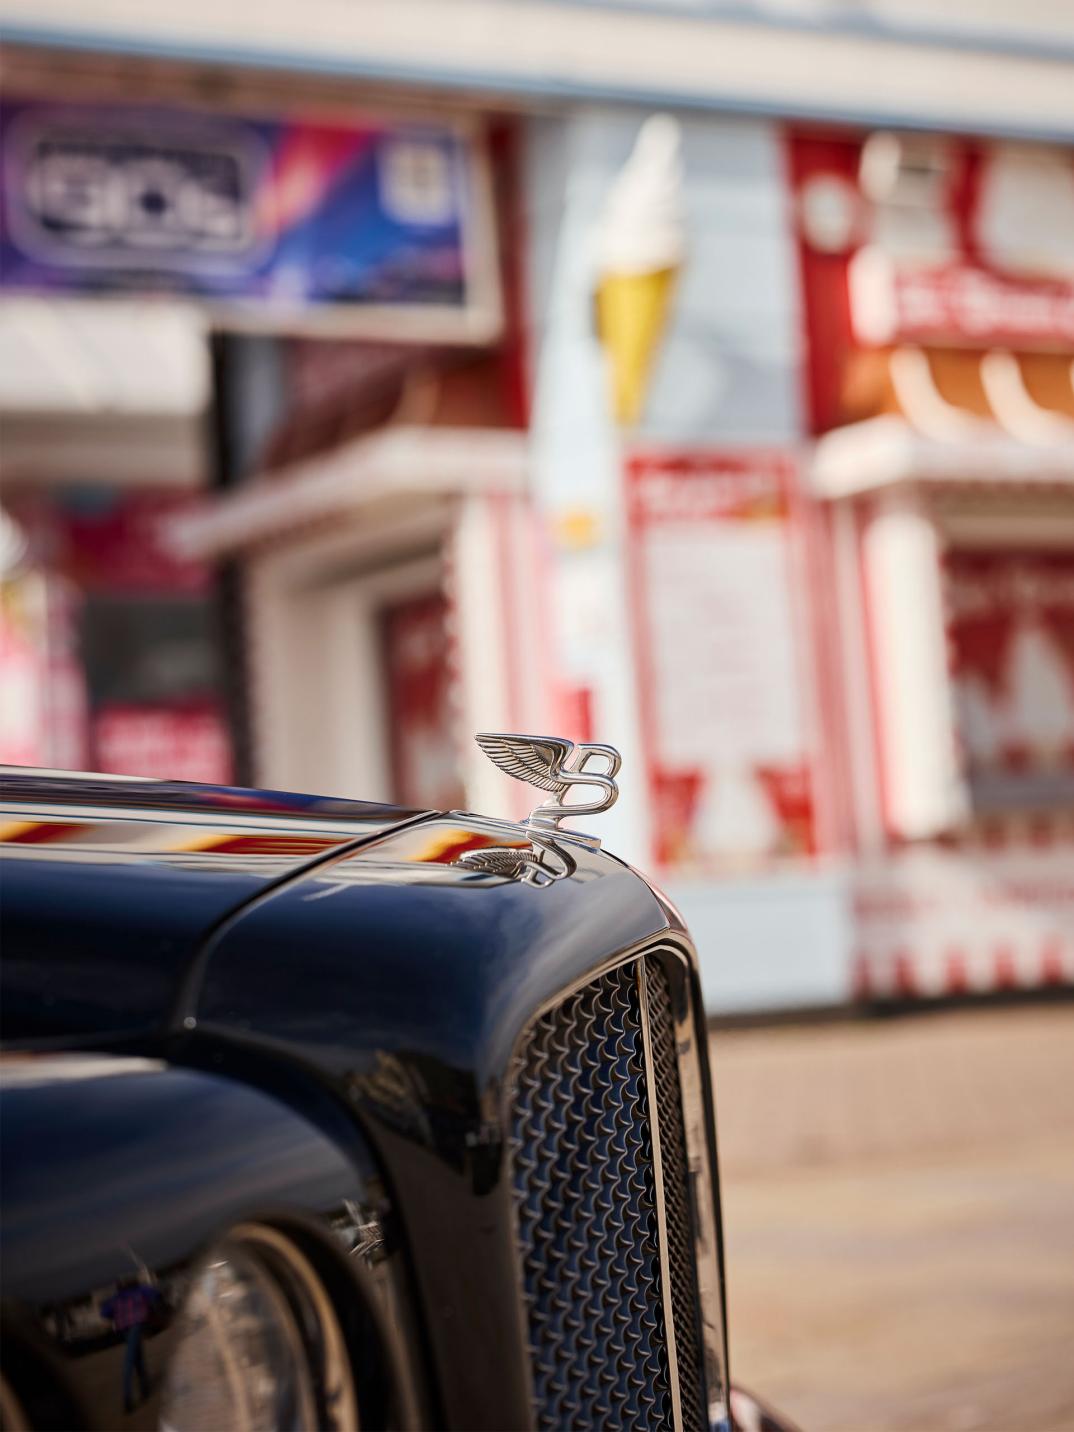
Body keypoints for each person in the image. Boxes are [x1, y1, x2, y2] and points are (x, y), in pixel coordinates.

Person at [100, 1276, 160, 1413]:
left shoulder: (117, 1297)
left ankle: (144, 1390)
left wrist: (116, 1313)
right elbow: (155, 1294)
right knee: (131, 1360)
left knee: (136, 1357)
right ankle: (128, 1398)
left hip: (124, 1328)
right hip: (136, 1324)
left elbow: (104, 1312)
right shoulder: (140, 1290)